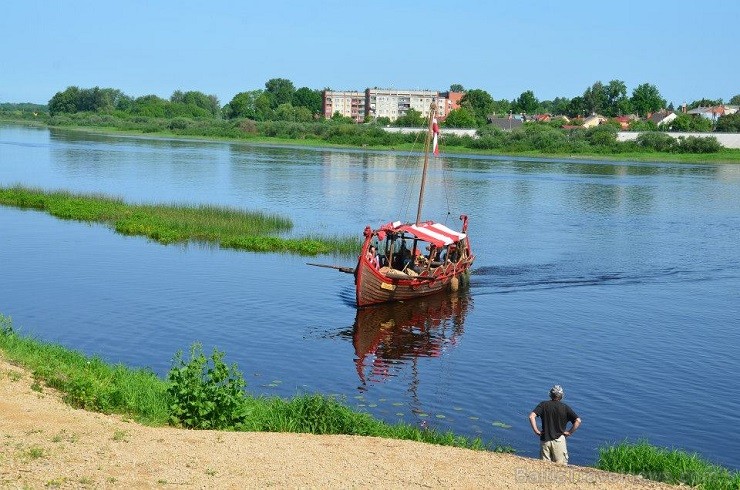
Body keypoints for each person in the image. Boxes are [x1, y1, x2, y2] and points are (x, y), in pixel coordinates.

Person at [528, 385, 581, 465]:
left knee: (544, 467)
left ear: (550, 394)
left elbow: (531, 416)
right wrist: (569, 432)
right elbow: (578, 421)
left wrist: (536, 431)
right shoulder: (565, 407)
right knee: (561, 467)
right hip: (559, 440)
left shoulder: (543, 405)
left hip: (545, 439)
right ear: (562, 396)